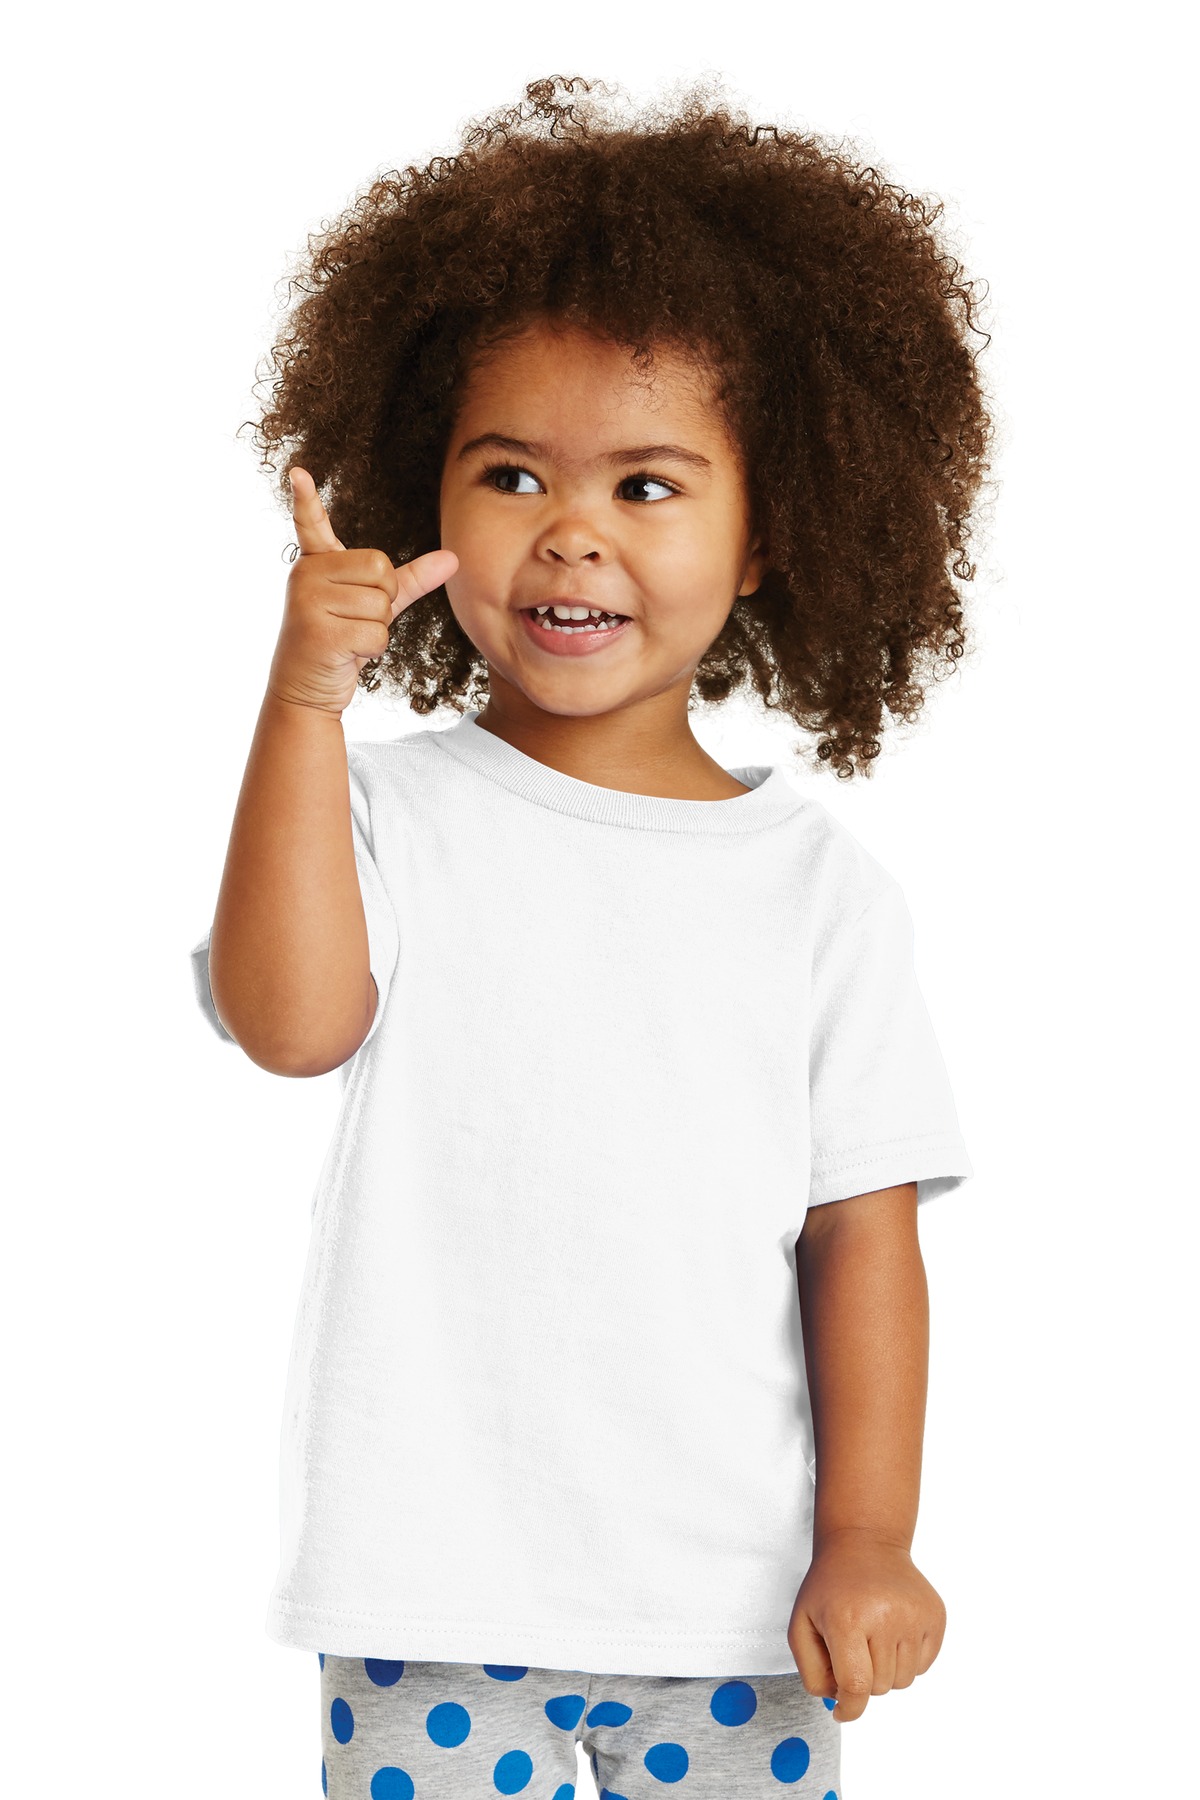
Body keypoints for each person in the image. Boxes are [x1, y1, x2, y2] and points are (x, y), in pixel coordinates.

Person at [190, 72, 990, 1800]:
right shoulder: (384, 814)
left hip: (736, 1611)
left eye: (647, 485)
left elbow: (862, 1238)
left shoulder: (819, 893)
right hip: (429, 1588)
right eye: (513, 473)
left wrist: (870, 1536)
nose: (572, 530)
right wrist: (302, 704)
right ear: (428, 497)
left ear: (769, 533)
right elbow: (289, 1023)